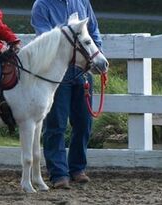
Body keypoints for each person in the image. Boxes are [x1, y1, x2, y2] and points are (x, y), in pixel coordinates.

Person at [31, 0, 103, 189]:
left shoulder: (82, 2)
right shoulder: (42, 5)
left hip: (83, 69)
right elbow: (46, 38)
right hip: (57, 72)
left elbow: (93, 30)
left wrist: (96, 54)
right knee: (56, 124)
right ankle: (58, 173)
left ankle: (77, 168)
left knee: (84, 122)